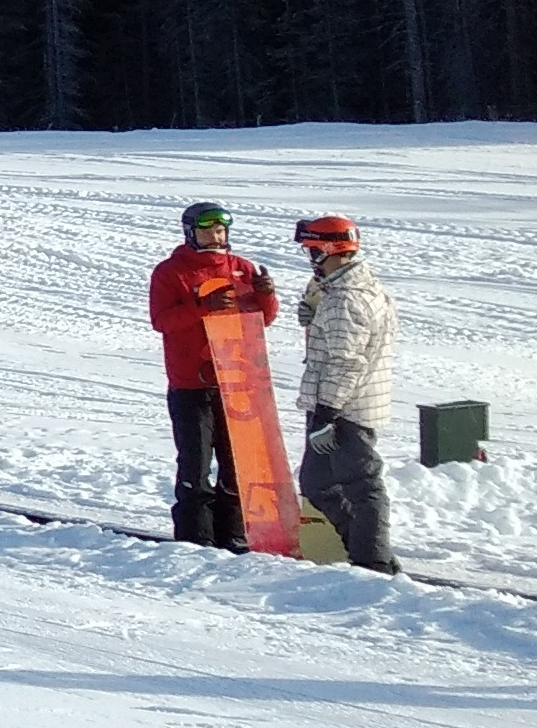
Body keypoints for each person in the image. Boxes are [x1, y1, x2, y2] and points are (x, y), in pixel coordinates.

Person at [145, 200, 278, 549]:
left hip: (235, 380)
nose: (216, 238)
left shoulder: (240, 267)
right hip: (191, 383)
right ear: (191, 234)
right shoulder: (171, 272)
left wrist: (266, 295)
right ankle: (195, 537)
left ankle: (232, 532)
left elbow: (262, 319)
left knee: (236, 464)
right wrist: (202, 308)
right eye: (208, 232)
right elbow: (162, 321)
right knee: (196, 462)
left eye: (220, 231)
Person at [291, 213, 402, 574]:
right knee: (316, 483)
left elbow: (345, 363)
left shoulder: (344, 299)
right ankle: (362, 548)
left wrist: (327, 414)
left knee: (361, 484)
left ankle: (374, 561)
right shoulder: (355, 288)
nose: (310, 258)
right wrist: (314, 315)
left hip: (345, 409)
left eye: (312, 250)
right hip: (346, 403)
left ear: (327, 250)